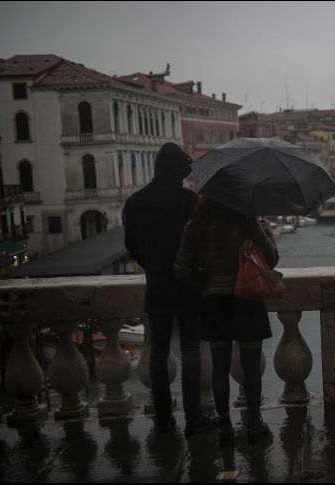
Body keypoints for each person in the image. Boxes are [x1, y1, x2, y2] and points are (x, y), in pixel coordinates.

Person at [123, 142, 218, 436]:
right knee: (191, 350)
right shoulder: (190, 201)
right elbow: (203, 243)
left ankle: (164, 419)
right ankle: (194, 419)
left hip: (157, 287)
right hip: (188, 285)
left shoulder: (135, 202)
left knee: (158, 354)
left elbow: (132, 248)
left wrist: (153, 264)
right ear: (178, 170)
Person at [174, 198, 277, 447]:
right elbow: (271, 260)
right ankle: (254, 423)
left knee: (219, 367)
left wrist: (203, 285)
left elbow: (181, 269)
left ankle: (225, 426)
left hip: (214, 302)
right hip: (246, 300)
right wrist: (268, 233)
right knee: (251, 366)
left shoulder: (195, 225)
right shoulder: (246, 220)